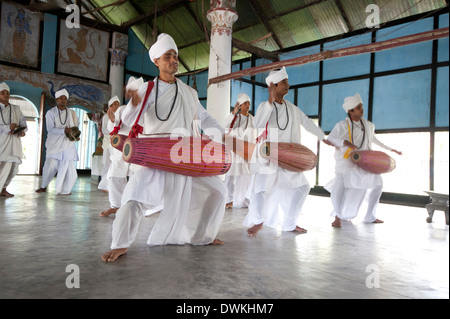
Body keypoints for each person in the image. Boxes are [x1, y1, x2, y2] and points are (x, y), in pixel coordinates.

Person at [102, 33, 226, 263]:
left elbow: (205, 117)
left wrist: (223, 136)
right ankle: (120, 244)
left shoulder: (189, 93)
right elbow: (127, 120)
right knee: (133, 200)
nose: (173, 60)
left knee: (219, 192)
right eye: (168, 56)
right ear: (156, 61)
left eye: (175, 55)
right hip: (155, 157)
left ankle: (202, 236)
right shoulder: (147, 89)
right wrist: (133, 103)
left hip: (185, 158)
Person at [243, 67, 333, 237]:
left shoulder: (292, 108)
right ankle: (257, 221)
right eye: (284, 82)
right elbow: (258, 124)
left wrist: (323, 137)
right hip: (268, 155)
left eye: (287, 81)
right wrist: (269, 101)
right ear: (274, 86)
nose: (288, 85)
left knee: (303, 187)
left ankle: (289, 224)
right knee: (260, 190)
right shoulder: (265, 106)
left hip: (289, 157)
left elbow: (307, 123)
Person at [325, 93, 402, 227]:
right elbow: (329, 140)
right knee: (341, 187)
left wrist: (390, 149)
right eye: (359, 107)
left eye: (361, 107)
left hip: (365, 160)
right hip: (346, 162)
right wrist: (344, 142)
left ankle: (370, 216)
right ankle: (337, 216)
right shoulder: (342, 125)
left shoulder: (368, 125)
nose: (362, 110)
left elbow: (374, 139)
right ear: (350, 111)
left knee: (378, 184)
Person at [35, 89, 80, 195]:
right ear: (56, 100)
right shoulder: (50, 113)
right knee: (50, 166)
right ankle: (43, 186)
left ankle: (64, 190)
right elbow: (50, 129)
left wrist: (75, 136)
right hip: (54, 144)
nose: (63, 100)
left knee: (68, 169)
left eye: (65, 98)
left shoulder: (72, 113)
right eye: (61, 98)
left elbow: (76, 127)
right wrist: (63, 131)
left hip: (68, 144)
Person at [224, 93, 255, 209]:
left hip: (247, 151)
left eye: (249, 103)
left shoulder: (252, 119)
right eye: (245, 103)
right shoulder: (235, 118)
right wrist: (233, 113)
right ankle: (228, 200)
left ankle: (245, 200)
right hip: (235, 150)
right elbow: (225, 126)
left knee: (247, 176)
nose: (248, 105)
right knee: (231, 176)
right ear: (240, 105)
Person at [0, 82, 27, 197]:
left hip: (14, 143)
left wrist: (22, 131)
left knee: (12, 168)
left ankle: (3, 189)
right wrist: (7, 128)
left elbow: (23, 123)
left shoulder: (16, 108)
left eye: (7, 93)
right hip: (1, 142)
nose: (6, 95)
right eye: (3, 93)